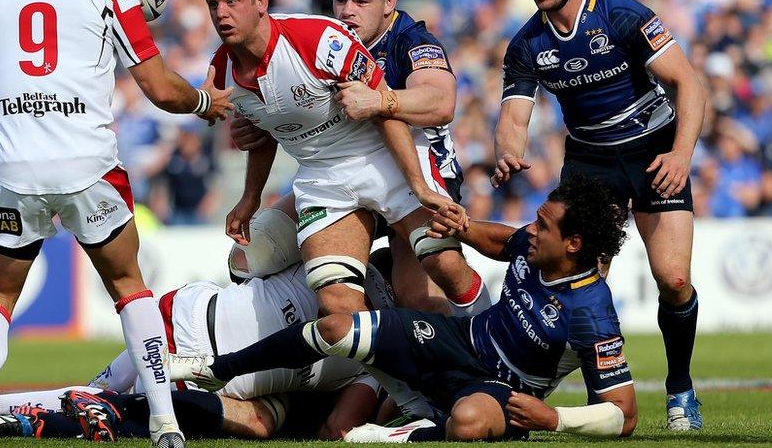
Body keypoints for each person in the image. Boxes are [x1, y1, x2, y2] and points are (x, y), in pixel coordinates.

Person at [0, 0, 232, 447]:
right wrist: (203, 103)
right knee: (129, 286)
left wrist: (25, 104)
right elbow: (159, 88)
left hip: (13, 165)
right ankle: (166, 424)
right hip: (88, 165)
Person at [169, 174, 638, 442]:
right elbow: (501, 242)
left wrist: (556, 419)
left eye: (544, 225)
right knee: (336, 327)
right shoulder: (537, 250)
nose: (531, 230)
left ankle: (399, 436)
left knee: (471, 423)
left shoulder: (592, 314)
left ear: (574, 244)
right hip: (458, 341)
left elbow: (624, 414)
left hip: (501, 389)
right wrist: (465, 226)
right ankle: (216, 368)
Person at [492, 0, 707, 430]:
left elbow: (688, 83)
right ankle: (600, 399)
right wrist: (508, 152)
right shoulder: (527, 43)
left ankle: (680, 389)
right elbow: (513, 116)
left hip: (655, 152)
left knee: (674, 281)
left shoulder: (622, 14)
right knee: (575, 278)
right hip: (590, 163)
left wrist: (680, 155)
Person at [0, 214, 392, 442]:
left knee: (98, 393)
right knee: (123, 404)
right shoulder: (379, 347)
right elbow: (339, 427)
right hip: (201, 358)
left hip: (184, 310)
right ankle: (15, 412)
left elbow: (242, 261)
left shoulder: (323, 261)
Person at [229, 0, 486, 314]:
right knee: (249, 255)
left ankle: (489, 344)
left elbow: (441, 102)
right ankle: (343, 330)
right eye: (340, 0)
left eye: (361, 1)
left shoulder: (410, 41)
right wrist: (256, 126)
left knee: (419, 294)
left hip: (415, 172)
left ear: (388, 4)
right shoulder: (322, 40)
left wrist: (380, 100)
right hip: (339, 173)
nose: (348, 10)